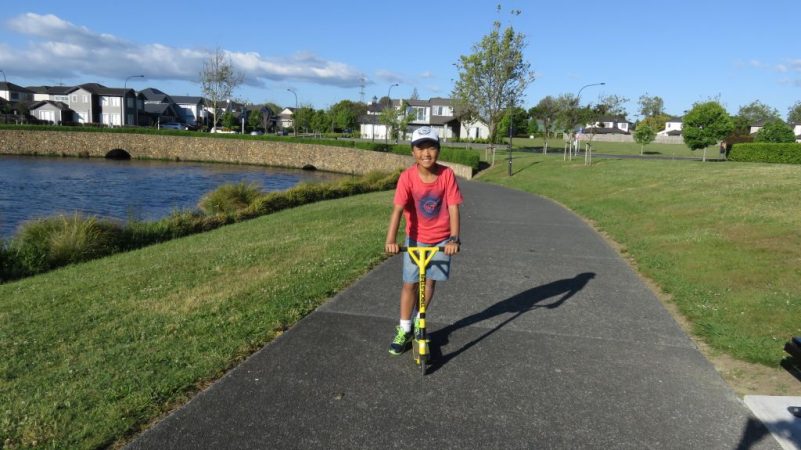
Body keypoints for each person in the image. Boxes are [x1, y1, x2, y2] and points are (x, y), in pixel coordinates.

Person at [384, 126, 463, 355]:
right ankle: (405, 328)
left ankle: (420, 322)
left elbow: (453, 208)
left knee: (429, 281)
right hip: (415, 239)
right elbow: (398, 210)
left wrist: (454, 239)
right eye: (420, 148)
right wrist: (391, 239)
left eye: (431, 148)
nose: (426, 153)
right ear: (412, 152)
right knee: (410, 283)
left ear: (438, 150)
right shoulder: (407, 178)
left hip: (441, 240)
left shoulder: (446, 175)